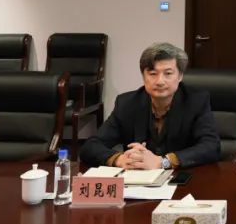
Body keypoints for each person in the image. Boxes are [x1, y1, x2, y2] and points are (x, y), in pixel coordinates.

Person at [80, 43, 220, 169]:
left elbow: (211, 146)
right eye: (153, 73)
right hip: (137, 181)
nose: (160, 81)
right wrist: (119, 159)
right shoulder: (127, 104)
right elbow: (91, 146)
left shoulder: (196, 101)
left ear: (180, 76)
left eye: (168, 73)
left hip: (183, 179)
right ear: (143, 76)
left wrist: (163, 162)